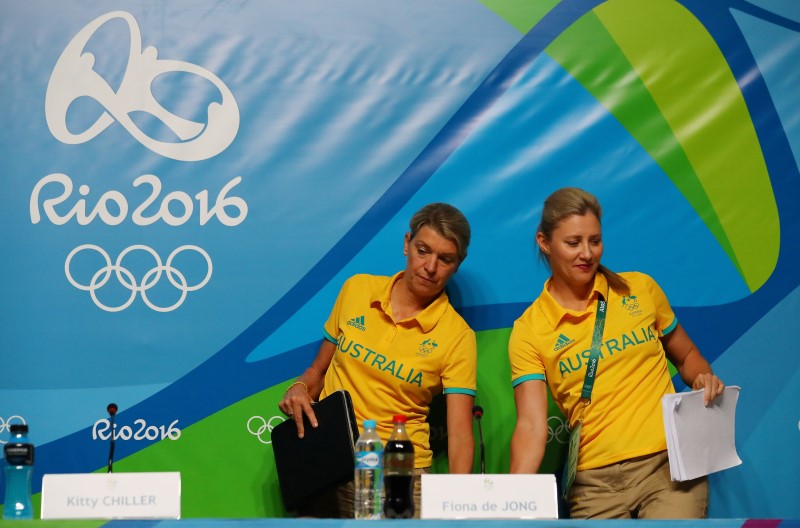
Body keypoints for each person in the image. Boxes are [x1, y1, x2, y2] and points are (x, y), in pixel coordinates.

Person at [508, 187, 725, 519]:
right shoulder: (528, 330)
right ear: (544, 242)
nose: (587, 253)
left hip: (669, 470)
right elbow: (532, 425)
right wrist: (511, 503)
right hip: (593, 484)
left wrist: (702, 378)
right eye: (573, 242)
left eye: (594, 241)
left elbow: (686, 357)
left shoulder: (640, 289)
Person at [279, 202, 477, 518]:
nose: (430, 266)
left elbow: (459, 431)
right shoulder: (357, 289)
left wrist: (459, 506)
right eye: (423, 250)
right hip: (330, 463)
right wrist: (300, 387)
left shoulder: (458, 335)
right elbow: (318, 370)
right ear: (406, 244)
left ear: (457, 264)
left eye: (445, 259)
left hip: (399, 473)